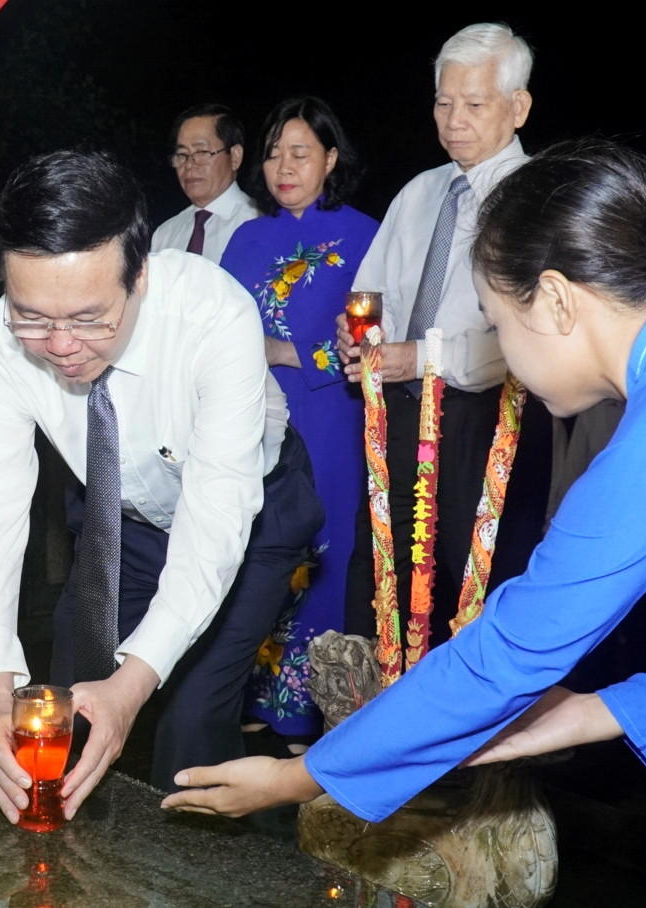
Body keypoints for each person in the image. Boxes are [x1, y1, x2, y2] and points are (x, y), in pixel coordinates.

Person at [162, 138, 646, 822]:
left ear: (554, 300)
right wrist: (597, 712)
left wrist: (298, 777)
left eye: (496, 323)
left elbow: (505, 654)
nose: (503, 351)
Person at [0, 149, 323, 823]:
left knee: (190, 719)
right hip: (123, 521)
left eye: (89, 317)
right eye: (32, 317)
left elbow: (215, 524)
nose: (61, 344)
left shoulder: (214, 317)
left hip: (251, 514)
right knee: (58, 707)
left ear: (140, 275)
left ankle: (205, 868)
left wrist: (133, 685)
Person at [337, 22, 547, 649]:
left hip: (487, 421)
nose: (454, 121)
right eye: (443, 102)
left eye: (474, 104)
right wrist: (359, 334)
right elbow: (371, 290)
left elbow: (526, 336)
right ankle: (377, 698)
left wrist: (421, 357)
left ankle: (480, 708)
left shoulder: (537, 200)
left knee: (472, 583)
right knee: (381, 573)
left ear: (518, 107)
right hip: (398, 415)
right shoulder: (420, 191)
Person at [220, 97, 379, 742]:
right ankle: (247, 694)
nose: (283, 167)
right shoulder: (246, 237)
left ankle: (313, 707)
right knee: (253, 548)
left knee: (323, 550)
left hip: (329, 417)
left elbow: (376, 339)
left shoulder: (364, 236)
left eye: (300, 153)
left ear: (330, 158)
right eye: (273, 154)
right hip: (250, 416)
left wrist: (288, 352)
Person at [150, 104, 258, 263]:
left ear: (235, 156)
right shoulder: (165, 234)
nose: (189, 165)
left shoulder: (259, 221)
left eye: (202, 152)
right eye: (182, 154)